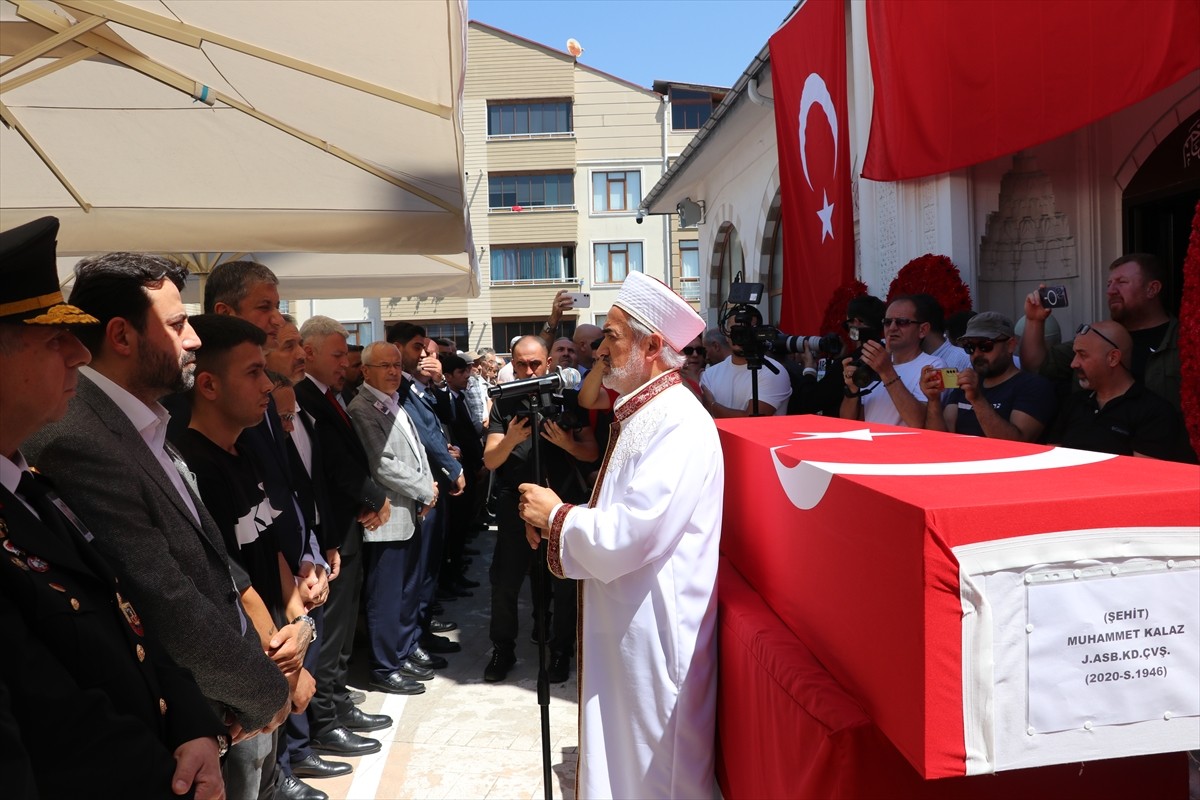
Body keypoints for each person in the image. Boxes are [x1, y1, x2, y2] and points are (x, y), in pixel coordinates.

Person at [0, 217, 227, 800]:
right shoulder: (54, 467)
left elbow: (128, 617)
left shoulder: (31, 487)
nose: (80, 352)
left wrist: (195, 725)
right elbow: (44, 727)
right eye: (53, 339)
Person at [518, 271, 723, 799]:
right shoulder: (644, 413)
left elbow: (630, 534)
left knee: (655, 774)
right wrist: (560, 521)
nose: (601, 351)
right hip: (630, 620)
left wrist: (558, 516)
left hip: (657, 637)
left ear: (652, 345)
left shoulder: (677, 420)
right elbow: (621, 514)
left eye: (612, 337)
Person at [176, 315, 321, 800]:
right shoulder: (191, 468)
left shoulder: (245, 451)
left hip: (277, 652)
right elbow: (227, 579)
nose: (268, 385)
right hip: (241, 670)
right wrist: (290, 668)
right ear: (209, 384)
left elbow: (269, 550)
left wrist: (300, 621)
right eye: (253, 373)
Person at [293, 316, 391, 758]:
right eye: (337, 353)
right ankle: (325, 720)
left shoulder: (330, 396)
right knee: (329, 633)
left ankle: (338, 703)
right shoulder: (302, 398)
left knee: (343, 629)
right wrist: (371, 496)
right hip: (328, 531)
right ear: (308, 352)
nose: (345, 360)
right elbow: (332, 466)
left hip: (343, 529)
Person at [482, 336, 597, 683]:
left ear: (548, 362)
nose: (529, 371)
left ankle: (561, 651)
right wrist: (513, 439)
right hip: (514, 505)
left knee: (562, 584)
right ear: (512, 365)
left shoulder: (568, 399)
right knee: (505, 582)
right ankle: (503, 648)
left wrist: (568, 444)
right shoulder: (504, 403)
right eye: (521, 365)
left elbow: (592, 452)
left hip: (560, 505)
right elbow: (490, 460)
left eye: (535, 364)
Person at [346, 342, 435, 696]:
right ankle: (385, 667)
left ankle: (401, 651)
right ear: (365, 371)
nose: (393, 371)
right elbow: (381, 465)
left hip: (408, 512)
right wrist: (425, 490)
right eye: (384, 366)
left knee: (406, 590)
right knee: (385, 595)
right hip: (387, 518)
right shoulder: (362, 408)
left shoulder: (395, 402)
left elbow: (417, 450)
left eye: (397, 365)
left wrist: (428, 485)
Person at [1020, 254, 1180, 409]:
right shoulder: (1095, 338)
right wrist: (1034, 320)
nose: (1110, 291)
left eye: (1122, 282)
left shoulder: (1184, 340)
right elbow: (1036, 366)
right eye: (1109, 284)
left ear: (1152, 289)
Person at [1046, 321, 1195, 462]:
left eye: (1083, 355)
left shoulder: (1154, 412)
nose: (1073, 363)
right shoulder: (1074, 403)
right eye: (1075, 354)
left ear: (1113, 358)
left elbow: (1143, 478)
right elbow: (1050, 461)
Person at [920, 312, 1057, 441]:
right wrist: (933, 400)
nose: (977, 353)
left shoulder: (1033, 386)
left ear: (1010, 345)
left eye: (985, 346)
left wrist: (977, 399)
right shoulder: (965, 386)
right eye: (969, 347)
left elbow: (1016, 444)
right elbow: (941, 440)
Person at [840, 295, 944, 427]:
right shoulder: (873, 363)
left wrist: (887, 371)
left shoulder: (933, 365)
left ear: (923, 330)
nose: (892, 328)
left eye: (902, 322)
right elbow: (847, 422)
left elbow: (919, 424)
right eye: (888, 322)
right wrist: (852, 389)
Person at [699, 308, 792, 417]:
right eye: (734, 329)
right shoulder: (710, 374)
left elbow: (750, 420)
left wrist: (711, 405)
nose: (739, 335)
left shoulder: (773, 372)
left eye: (745, 330)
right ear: (725, 334)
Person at [912, 293, 971, 370]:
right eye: (890, 322)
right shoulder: (898, 360)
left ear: (924, 328)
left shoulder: (965, 360)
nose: (893, 328)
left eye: (902, 322)